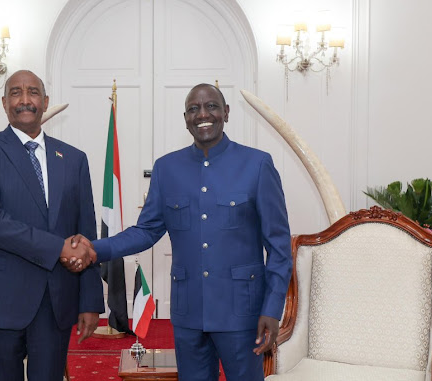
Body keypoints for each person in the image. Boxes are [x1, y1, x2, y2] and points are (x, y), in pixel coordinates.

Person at [69, 83, 292, 381]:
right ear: (185, 118)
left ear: (226, 112)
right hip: (189, 313)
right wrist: (96, 249)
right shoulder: (167, 168)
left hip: (242, 312)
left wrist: (273, 308)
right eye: (193, 109)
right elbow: (146, 231)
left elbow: (278, 247)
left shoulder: (257, 164)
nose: (203, 114)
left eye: (211, 106)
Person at [0, 70, 103, 381]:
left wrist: (91, 302)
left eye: (33, 92)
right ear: (4, 103)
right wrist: (58, 247)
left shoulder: (74, 159)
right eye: (15, 93)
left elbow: (86, 232)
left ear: (45, 101)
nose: (25, 100)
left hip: (56, 302)